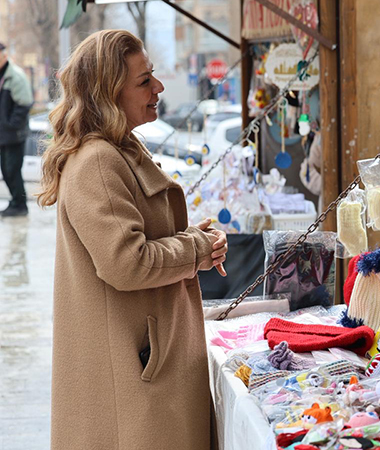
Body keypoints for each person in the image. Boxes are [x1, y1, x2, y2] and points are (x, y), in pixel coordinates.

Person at [39, 30, 228, 449]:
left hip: (143, 368)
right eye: (144, 81)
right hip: (135, 381)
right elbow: (129, 262)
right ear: (108, 93)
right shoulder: (99, 162)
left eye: (153, 76)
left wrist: (193, 239)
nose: (158, 87)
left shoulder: (118, 150)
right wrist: (196, 248)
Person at [0, 41, 33, 217]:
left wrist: (11, 125)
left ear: (3, 55)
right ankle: (15, 201)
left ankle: (20, 204)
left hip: (14, 134)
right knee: (6, 170)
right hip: (3, 135)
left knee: (13, 169)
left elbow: (25, 104)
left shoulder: (15, 76)